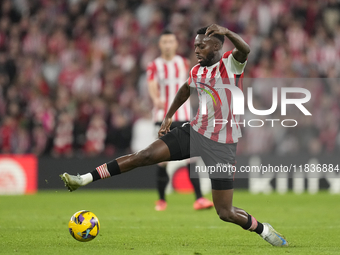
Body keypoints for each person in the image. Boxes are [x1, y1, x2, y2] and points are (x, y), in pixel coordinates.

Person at [61, 24, 288, 247]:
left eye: (202, 46)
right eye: (195, 46)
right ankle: (84, 179)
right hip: (195, 132)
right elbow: (185, 89)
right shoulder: (196, 71)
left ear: (217, 46)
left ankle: (263, 229)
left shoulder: (231, 63)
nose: (196, 50)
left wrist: (228, 32)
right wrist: (169, 115)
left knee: (225, 212)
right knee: (145, 155)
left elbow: (245, 49)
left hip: (222, 146)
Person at [146, 30, 213, 211]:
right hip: (162, 117)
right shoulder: (154, 65)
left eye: (171, 41)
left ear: (176, 44)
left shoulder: (183, 63)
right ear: (160, 45)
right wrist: (155, 99)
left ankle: (199, 199)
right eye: (164, 41)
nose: (168, 45)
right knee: (162, 160)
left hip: (183, 117)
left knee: (192, 158)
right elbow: (151, 84)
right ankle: (161, 200)